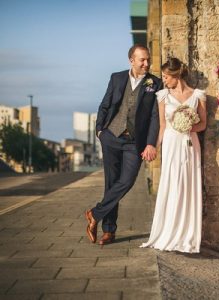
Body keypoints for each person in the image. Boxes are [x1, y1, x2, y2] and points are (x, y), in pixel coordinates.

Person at [85, 45, 162, 245]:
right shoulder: (117, 78)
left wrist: (151, 143)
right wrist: (100, 131)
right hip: (111, 136)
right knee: (111, 183)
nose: (146, 63)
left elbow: (155, 117)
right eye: (142, 60)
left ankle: (95, 213)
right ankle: (109, 231)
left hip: (134, 142)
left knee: (126, 181)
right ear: (131, 60)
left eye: (148, 60)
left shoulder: (155, 83)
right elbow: (105, 104)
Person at [140, 57, 207, 253]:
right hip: (170, 142)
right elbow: (162, 125)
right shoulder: (162, 95)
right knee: (172, 184)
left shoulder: (198, 96)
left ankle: (187, 235)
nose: (164, 80)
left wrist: (188, 126)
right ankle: (168, 231)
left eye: (166, 77)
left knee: (188, 185)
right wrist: (154, 146)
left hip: (189, 142)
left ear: (176, 76)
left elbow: (203, 124)